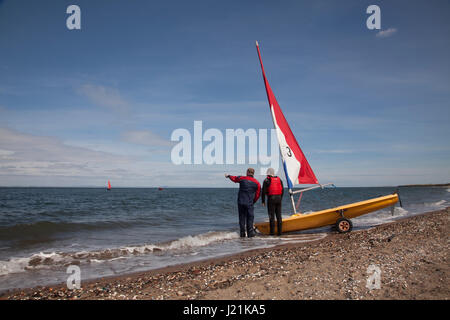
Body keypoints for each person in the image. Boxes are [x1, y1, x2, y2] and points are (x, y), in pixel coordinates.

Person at [225, 168, 261, 238]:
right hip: (250, 203)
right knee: (250, 218)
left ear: (247, 172)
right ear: (253, 173)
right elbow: (258, 194)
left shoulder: (242, 178)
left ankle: (242, 235)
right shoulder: (257, 183)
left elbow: (234, 179)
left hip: (241, 202)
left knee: (242, 219)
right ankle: (250, 236)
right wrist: (253, 201)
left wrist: (228, 176)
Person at [261, 168, 284, 236]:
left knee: (271, 217)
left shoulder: (266, 180)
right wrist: (280, 198)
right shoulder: (279, 179)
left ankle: (272, 233)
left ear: (268, 173)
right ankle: (280, 233)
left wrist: (263, 201)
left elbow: (263, 192)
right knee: (279, 216)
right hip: (279, 198)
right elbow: (282, 190)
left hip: (271, 199)